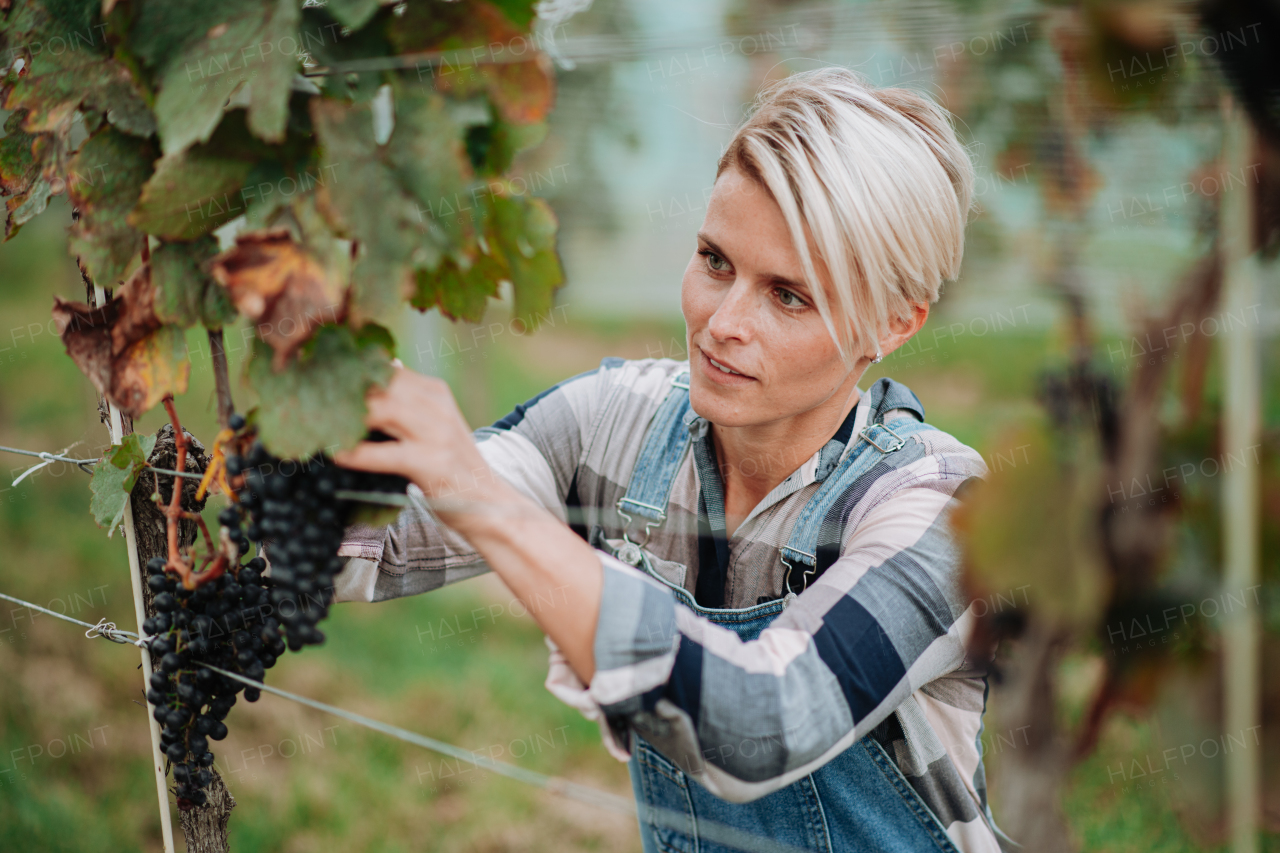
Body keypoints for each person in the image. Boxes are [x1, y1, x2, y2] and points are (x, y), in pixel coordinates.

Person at [334, 67, 1012, 853]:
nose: (722, 322)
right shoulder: (610, 423)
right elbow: (374, 547)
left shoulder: (942, 510)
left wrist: (486, 504)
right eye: (716, 261)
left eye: (788, 296)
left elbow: (761, 726)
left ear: (894, 323)